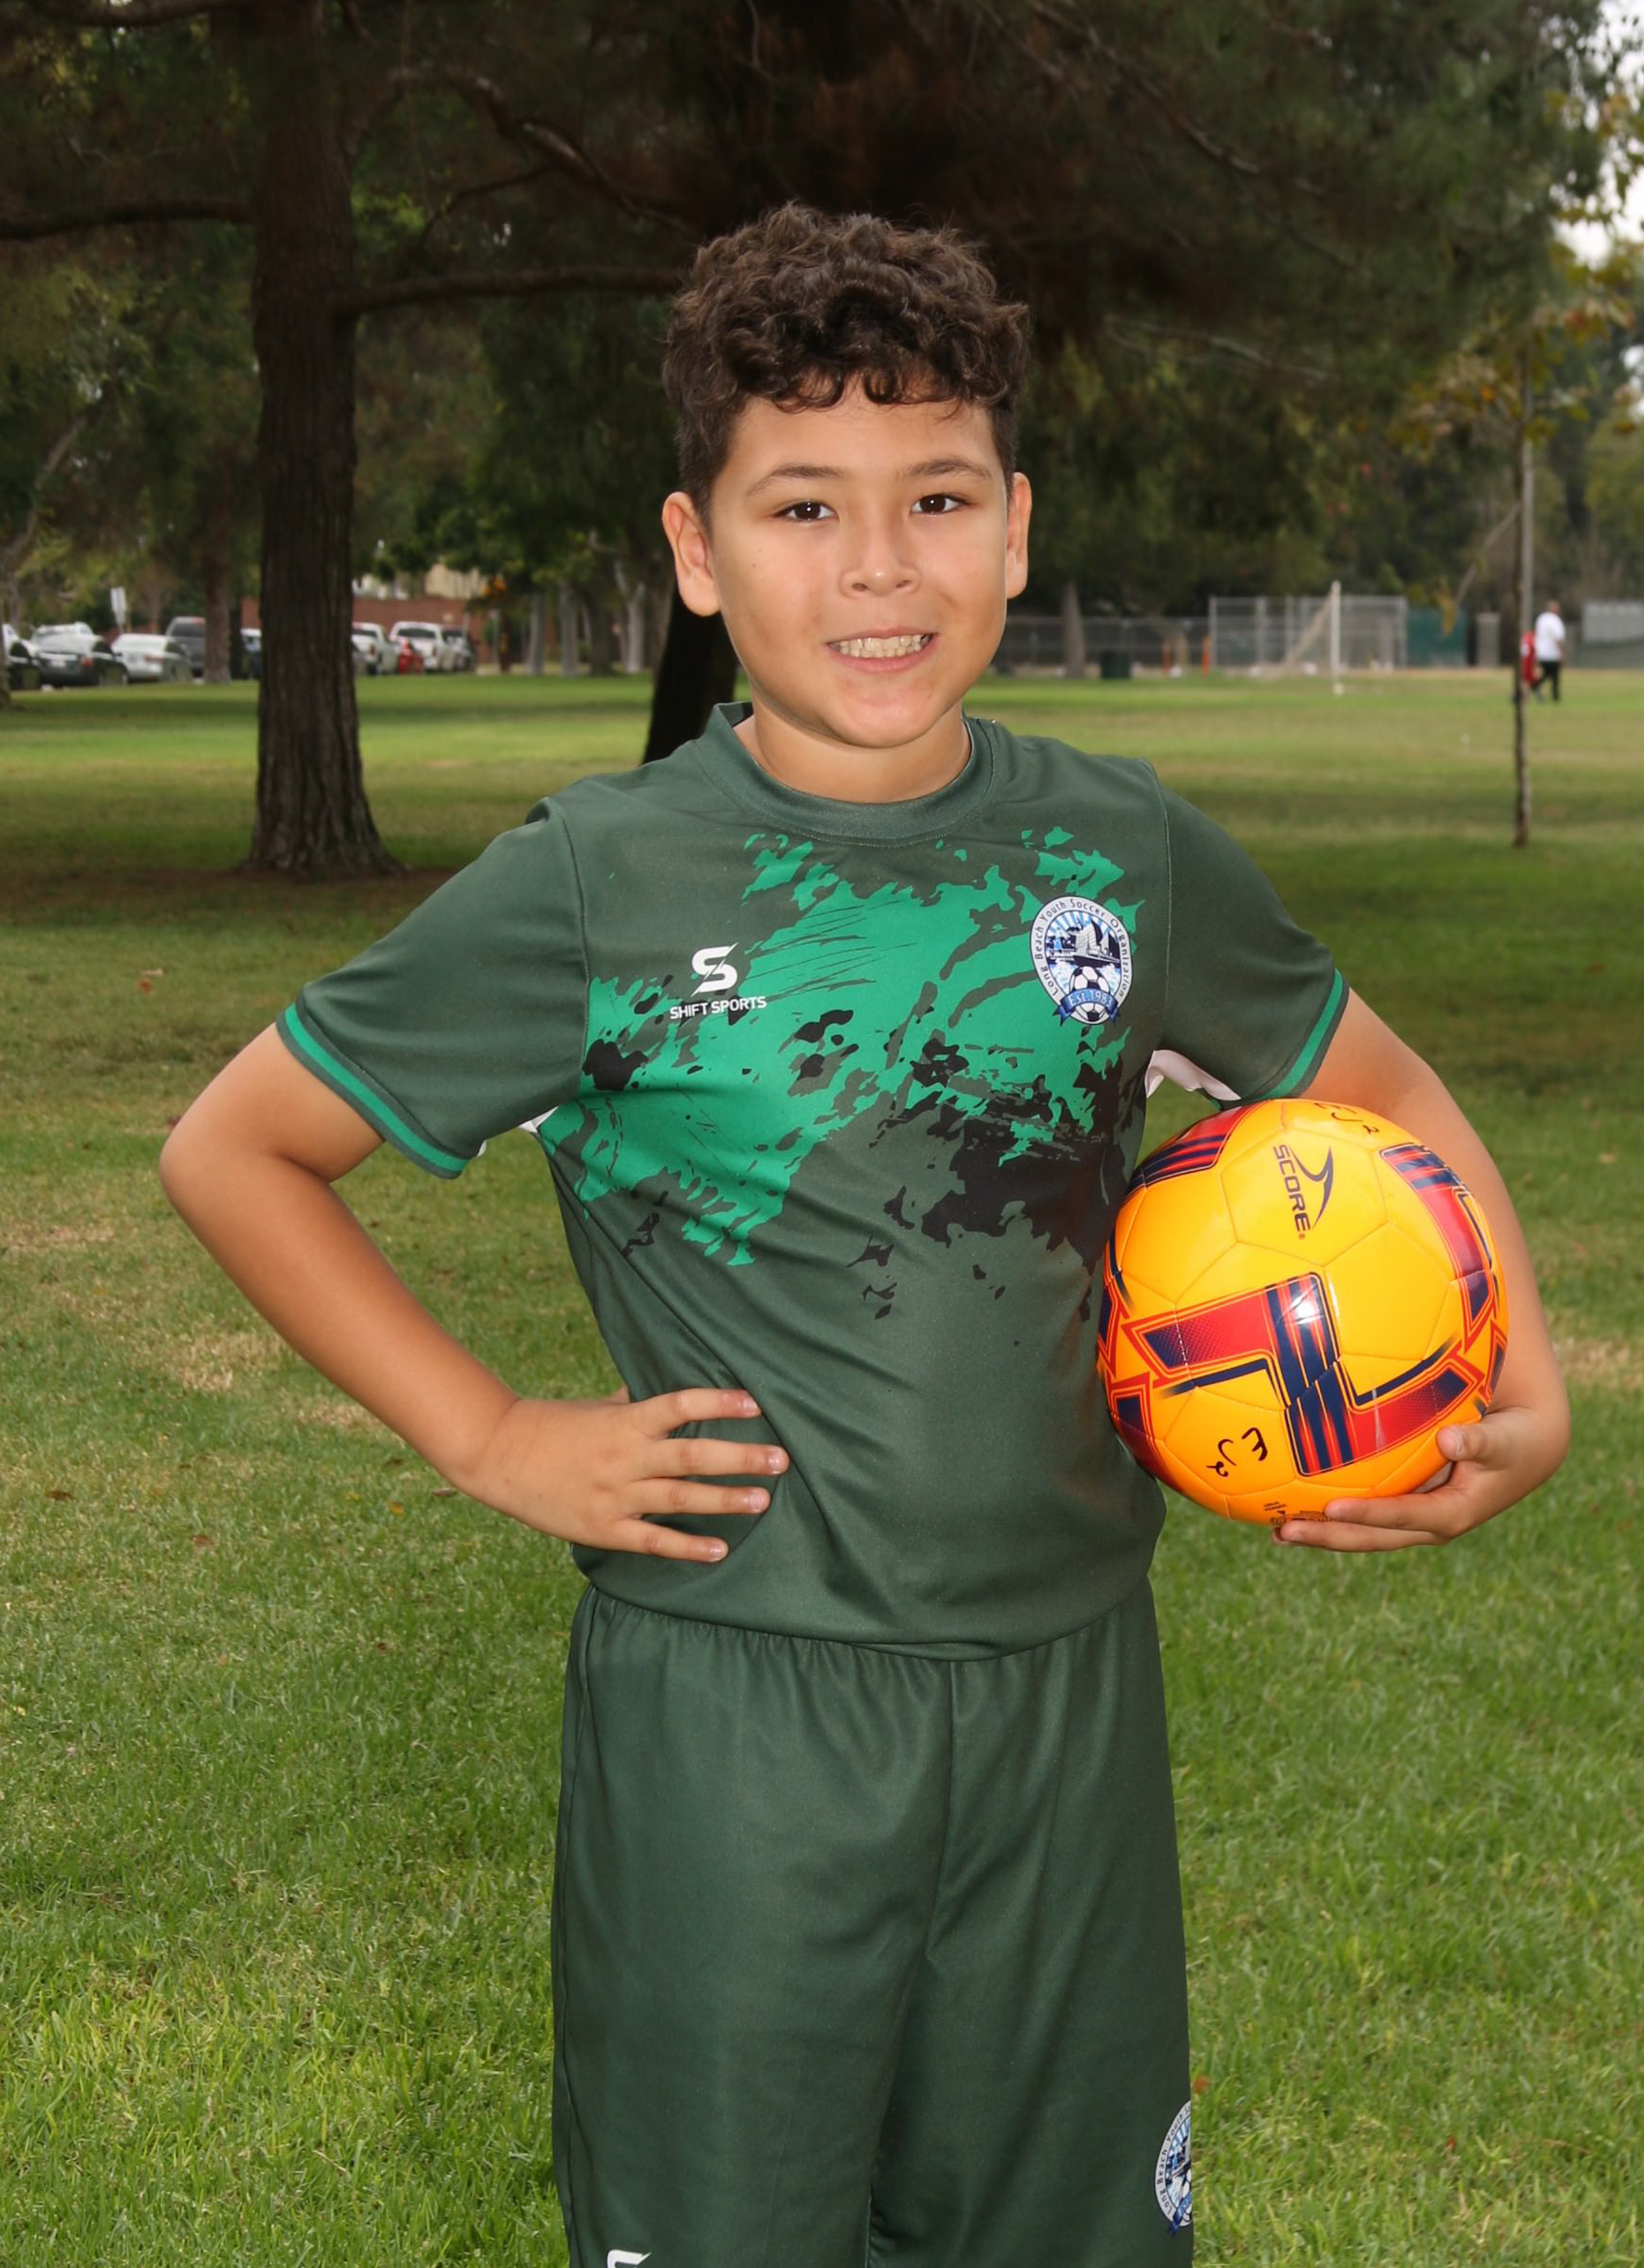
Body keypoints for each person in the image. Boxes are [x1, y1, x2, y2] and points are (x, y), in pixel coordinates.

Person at [159, 206, 1570, 2267]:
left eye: (937, 497)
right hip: (739, 1716)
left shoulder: (1122, 851)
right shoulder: (601, 880)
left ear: (1016, 526)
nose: (880, 566)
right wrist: (488, 1431)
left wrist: (1514, 1373)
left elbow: (1386, 1096)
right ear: (695, 550)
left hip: (1066, 1703)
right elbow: (238, 1149)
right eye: (804, 505)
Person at [1533, 597, 1566, 700]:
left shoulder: (1541, 619)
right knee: (1554, 676)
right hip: (1552, 653)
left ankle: (1536, 687)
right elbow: (1558, 638)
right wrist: (1561, 652)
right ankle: (1555, 696)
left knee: (1546, 673)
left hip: (1541, 652)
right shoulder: (1555, 620)